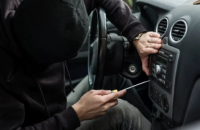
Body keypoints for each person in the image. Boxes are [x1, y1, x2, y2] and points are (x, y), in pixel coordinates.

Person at [0, 0, 161, 130]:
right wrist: (76, 114)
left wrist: (136, 34)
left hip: (57, 110)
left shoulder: (55, 6)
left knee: (113, 79)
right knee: (121, 113)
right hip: (44, 124)